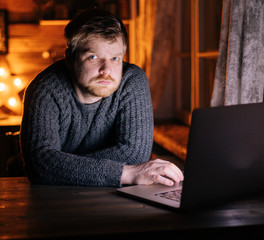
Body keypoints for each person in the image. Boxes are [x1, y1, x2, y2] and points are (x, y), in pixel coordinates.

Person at [20, 8, 183, 187]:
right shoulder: (45, 89)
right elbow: (40, 163)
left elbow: (136, 155)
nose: (106, 70)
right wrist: (125, 172)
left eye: (115, 58)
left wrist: (61, 165)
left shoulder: (132, 80)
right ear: (70, 59)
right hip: (52, 199)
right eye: (94, 57)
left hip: (112, 198)